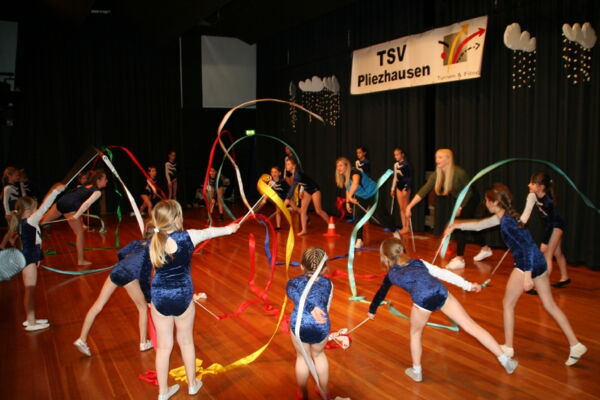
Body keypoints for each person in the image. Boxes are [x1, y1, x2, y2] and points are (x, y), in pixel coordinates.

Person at [447, 183, 587, 366]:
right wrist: (456, 225)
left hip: (526, 264)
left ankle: (508, 347)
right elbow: (480, 225)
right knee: (550, 305)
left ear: (494, 202)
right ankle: (575, 345)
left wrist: (527, 276)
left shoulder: (507, 223)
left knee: (508, 304)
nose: (485, 203)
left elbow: (527, 247)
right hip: (538, 262)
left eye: (487, 200)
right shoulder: (504, 217)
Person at [368, 237, 518, 382]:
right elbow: (443, 273)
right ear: (403, 250)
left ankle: (416, 371)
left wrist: (372, 310)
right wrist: (468, 285)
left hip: (423, 302)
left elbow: (381, 293)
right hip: (441, 292)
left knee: (415, 333)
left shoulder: (391, 275)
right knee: (471, 325)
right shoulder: (418, 262)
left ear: (385, 258)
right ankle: (505, 359)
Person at [149, 200, 239, 400]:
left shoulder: (152, 241)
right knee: (186, 342)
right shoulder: (188, 236)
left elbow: (150, 272)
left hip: (160, 297)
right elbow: (210, 232)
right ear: (176, 218)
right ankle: (192, 385)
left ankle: (163, 392)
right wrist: (230, 229)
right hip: (183, 295)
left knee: (163, 347)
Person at [404, 149, 492, 269]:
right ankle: (485, 248)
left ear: (448, 159)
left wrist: (461, 206)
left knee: (459, 225)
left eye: (440, 157)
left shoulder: (459, 173)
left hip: (471, 198)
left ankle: (460, 259)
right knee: (470, 226)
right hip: (461, 200)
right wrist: (410, 206)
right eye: (436, 157)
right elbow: (424, 190)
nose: (437, 160)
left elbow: (468, 192)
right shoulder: (438, 174)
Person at [73, 237, 153, 357]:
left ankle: (82, 339)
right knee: (142, 308)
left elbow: (120, 253)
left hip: (117, 270)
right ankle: (143, 342)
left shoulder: (137, 242)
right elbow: (145, 278)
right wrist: (148, 299)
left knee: (98, 305)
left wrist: (123, 264)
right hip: (129, 276)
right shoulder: (151, 252)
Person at [7, 183, 65, 331]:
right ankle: (31, 322)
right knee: (30, 291)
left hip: (30, 257)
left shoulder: (23, 221)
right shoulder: (30, 221)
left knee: (30, 290)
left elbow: (35, 240)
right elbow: (44, 208)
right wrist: (55, 192)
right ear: (28, 210)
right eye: (34, 208)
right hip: (28, 259)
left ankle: (30, 319)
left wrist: (38, 257)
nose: (36, 210)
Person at [286, 247, 333, 400]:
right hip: (321, 326)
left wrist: (309, 308)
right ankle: (324, 389)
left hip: (300, 325)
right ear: (324, 268)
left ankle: (302, 392)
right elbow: (327, 306)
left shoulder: (293, 283)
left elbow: (291, 291)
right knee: (319, 355)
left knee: (302, 357)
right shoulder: (328, 283)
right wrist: (314, 309)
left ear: (301, 266)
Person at [41, 169, 108, 265]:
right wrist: (76, 216)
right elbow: (86, 204)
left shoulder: (86, 185)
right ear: (98, 180)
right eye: (105, 179)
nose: (107, 181)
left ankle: (23, 229)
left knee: (42, 221)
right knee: (79, 233)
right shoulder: (97, 192)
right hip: (70, 206)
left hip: (61, 201)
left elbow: (77, 196)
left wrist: (78, 217)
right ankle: (81, 260)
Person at [335, 157, 399, 248]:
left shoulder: (354, 172)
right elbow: (348, 188)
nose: (338, 168)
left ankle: (394, 231)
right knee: (358, 218)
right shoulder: (344, 177)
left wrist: (350, 197)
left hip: (374, 193)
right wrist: (348, 202)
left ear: (346, 166)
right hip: (362, 197)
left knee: (382, 216)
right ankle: (359, 240)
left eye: (341, 165)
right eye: (337, 166)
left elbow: (355, 183)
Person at [520, 173, 569, 287]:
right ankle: (565, 277)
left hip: (556, 225)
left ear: (541, 187)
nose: (529, 185)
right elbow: (526, 213)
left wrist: (545, 242)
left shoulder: (548, 202)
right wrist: (520, 225)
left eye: (532, 183)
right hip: (550, 226)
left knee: (547, 254)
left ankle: (542, 286)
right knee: (558, 253)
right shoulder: (533, 195)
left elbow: (552, 223)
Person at [284, 157, 329, 236]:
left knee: (318, 210)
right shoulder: (295, 173)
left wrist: (287, 198)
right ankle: (304, 230)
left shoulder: (297, 174)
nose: (286, 166)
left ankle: (330, 224)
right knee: (303, 210)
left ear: (294, 166)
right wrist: (301, 191)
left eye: (288, 164)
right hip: (307, 190)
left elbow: (293, 187)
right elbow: (303, 182)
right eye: (286, 164)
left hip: (314, 189)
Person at [259, 166, 289, 230]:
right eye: (272, 172)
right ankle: (278, 226)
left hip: (287, 197)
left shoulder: (283, 181)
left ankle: (305, 217)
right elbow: (267, 191)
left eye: (275, 172)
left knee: (294, 209)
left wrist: (289, 198)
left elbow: (289, 190)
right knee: (278, 211)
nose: (273, 174)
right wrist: (264, 199)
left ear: (279, 173)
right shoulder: (270, 182)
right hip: (279, 198)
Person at [390, 147, 412, 234]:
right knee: (401, 208)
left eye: (397, 154)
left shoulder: (407, 165)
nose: (396, 156)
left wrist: (406, 188)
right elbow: (395, 177)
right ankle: (404, 226)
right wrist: (392, 188)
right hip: (398, 187)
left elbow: (409, 178)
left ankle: (407, 227)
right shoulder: (395, 165)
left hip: (405, 187)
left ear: (402, 154)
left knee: (406, 207)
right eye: (395, 155)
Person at [1, 167, 21, 249]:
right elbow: (5, 201)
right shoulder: (7, 188)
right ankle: (2, 245)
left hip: (15, 211)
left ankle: (12, 240)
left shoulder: (14, 186)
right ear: (10, 176)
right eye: (16, 175)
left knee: (16, 229)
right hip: (11, 212)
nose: (18, 177)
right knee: (11, 230)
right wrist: (7, 213)